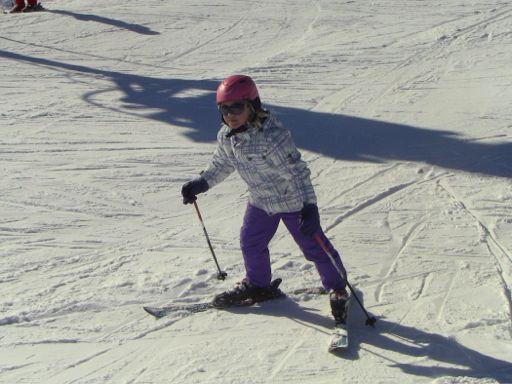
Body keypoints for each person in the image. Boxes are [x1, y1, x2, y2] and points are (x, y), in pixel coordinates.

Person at [181, 75, 349, 324]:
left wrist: (309, 206)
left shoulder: (273, 135)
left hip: (292, 201)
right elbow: (222, 162)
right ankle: (258, 284)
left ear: (252, 105)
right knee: (250, 241)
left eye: (237, 107)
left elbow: (298, 171)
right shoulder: (227, 136)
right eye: (224, 109)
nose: (231, 115)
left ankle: (337, 288)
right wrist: (203, 182)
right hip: (260, 201)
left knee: (314, 247)